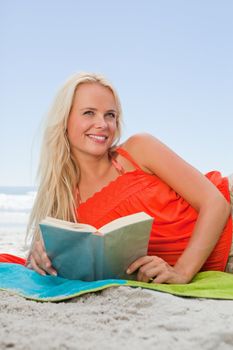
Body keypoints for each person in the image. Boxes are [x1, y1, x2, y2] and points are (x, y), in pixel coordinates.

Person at [1, 72, 232, 284]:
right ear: (65, 120)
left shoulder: (139, 149)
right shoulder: (65, 208)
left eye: (110, 115)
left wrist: (181, 271)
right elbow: (38, 263)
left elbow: (216, 203)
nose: (102, 124)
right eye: (89, 113)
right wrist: (38, 257)